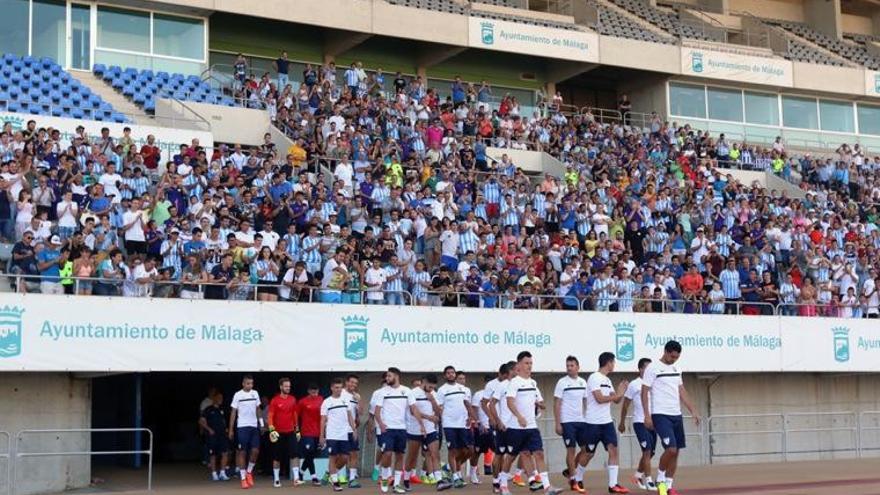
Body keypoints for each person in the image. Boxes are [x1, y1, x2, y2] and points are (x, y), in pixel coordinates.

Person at [642, 341, 701, 495]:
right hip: (660, 415)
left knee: (677, 451)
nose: (674, 359)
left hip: (676, 414)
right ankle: (660, 479)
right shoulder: (652, 368)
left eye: (677, 357)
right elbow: (644, 392)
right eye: (672, 356)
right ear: (666, 352)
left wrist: (693, 410)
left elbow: (681, 390)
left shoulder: (677, 368)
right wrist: (647, 415)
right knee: (671, 449)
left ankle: (668, 486)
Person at [501, 351, 562, 495]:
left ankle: (547, 487)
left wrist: (540, 404)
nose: (529, 366)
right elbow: (510, 402)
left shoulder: (533, 383)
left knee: (539, 454)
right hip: (516, 427)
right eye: (526, 363)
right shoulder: (514, 382)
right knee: (510, 457)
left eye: (531, 363)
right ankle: (503, 485)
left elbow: (540, 401)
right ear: (519, 365)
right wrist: (519, 416)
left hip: (531, 426)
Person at [581, 352, 629, 494]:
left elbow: (616, 399)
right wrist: (618, 395)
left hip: (606, 422)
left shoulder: (607, 381)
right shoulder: (594, 377)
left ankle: (613, 485)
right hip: (593, 423)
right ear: (608, 362)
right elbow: (600, 399)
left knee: (613, 450)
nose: (614, 365)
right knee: (589, 454)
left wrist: (621, 390)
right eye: (613, 362)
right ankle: (576, 477)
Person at [619, 358, 657, 491]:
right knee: (646, 451)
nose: (649, 371)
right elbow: (625, 405)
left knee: (651, 453)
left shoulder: (654, 382)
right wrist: (622, 422)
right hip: (640, 422)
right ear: (640, 369)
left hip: (653, 423)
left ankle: (637, 476)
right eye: (646, 368)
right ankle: (649, 481)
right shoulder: (634, 384)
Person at [436, 365, 477, 489]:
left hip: (463, 424)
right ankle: (456, 476)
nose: (450, 375)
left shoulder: (464, 389)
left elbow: (467, 404)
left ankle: (448, 467)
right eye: (448, 373)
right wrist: (438, 420)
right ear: (445, 375)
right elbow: (439, 407)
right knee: (453, 450)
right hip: (449, 424)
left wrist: (472, 417)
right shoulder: (442, 390)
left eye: (452, 373)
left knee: (469, 450)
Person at [553, 356, 588, 493]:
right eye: (567, 365)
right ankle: (574, 479)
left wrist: (588, 417)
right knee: (571, 450)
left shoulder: (583, 382)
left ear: (578, 367)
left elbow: (586, 401)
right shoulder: (562, 382)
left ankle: (571, 471)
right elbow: (557, 403)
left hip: (582, 421)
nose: (569, 368)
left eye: (572, 365)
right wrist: (558, 423)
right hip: (567, 422)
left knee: (586, 450)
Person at [373, 367, 411, 494]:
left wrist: (420, 423)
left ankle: (396, 484)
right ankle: (384, 478)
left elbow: (412, 408)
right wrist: (381, 424)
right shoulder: (382, 392)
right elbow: (376, 412)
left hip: (402, 429)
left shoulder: (406, 391)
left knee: (400, 455)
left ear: (396, 376)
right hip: (387, 429)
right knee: (387, 454)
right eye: (386, 376)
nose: (387, 378)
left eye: (389, 376)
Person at [320, 377, 358, 492]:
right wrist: (321, 436)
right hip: (332, 435)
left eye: (340, 388)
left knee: (345, 458)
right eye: (336, 388)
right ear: (331, 388)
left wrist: (354, 429)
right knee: (333, 457)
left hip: (344, 434)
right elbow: (322, 420)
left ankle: (331, 473)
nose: (339, 390)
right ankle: (335, 482)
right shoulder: (326, 402)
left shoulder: (345, 400)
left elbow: (350, 415)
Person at [404, 374, 441, 488]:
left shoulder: (434, 394)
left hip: (430, 429)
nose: (431, 389)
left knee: (435, 454)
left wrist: (433, 400)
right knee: (412, 457)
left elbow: (438, 412)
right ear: (423, 382)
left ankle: (440, 481)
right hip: (415, 429)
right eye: (429, 387)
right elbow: (412, 411)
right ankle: (406, 479)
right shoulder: (412, 393)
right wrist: (429, 417)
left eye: (433, 387)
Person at [228, 375, 262, 490]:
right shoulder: (238, 395)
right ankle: (243, 478)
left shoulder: (255, 393)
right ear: (243, 383)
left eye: (251, 383)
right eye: (248, 383)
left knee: (255, 451)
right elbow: (233, 412)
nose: (250, 385)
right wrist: (231, 429)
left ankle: (249, 472)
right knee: (242, 452)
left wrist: (261, 423)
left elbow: (258, 409)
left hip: (254, 426)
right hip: (242, 426)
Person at [267, 377, 302, 487]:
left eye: (289, 386)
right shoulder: (275, 400)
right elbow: (270, 416)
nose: (288, 388)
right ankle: (276, 480)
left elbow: (295, 415)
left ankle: (296, 478)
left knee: (295, 454)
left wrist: (297, 430)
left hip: (291, 431)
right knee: (277, 457)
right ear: (281, 387)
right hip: (278, 432)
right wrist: (271, 429)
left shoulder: (292, 399)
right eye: (286, 386)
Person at [199, 391, 231, 482]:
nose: (221, 400)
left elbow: (225, 421)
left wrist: (227, 429)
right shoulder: (208, 409)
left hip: (222, 435)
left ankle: (222, 472)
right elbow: (201, 421)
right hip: (213, 436)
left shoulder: (222, 409)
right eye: (219, 398)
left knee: (225, 453)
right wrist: (209, 429)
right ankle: (214, 474)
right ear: (214, 398)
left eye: (222, 398)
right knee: (213, 455)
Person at [297, 383, 325, 485]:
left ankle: (301, 472)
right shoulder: (302, 402)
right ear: (308, 391)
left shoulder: (321, 400)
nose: (314, 393)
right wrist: (296, 430)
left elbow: (324, 416)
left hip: (318, 432)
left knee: (312, 455)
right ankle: (314, 477)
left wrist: (324, 433)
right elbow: (296, 416)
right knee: (309, 452)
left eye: (316, 391)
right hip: (306, 432)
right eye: (312, 391)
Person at [340, 374, 363, 488]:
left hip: (352, 429)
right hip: (340, 430)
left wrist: (359, 402)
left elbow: (361, 412)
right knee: (342, 455)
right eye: (352, 382)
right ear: (346, 382)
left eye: (355, 383)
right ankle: (333, 474)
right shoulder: (340, 393)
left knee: (354, 454)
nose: (353, 385)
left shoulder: (357, 396)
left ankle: (352, 479)